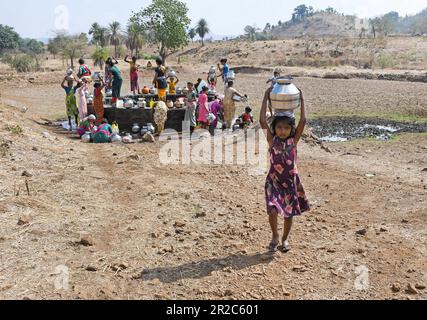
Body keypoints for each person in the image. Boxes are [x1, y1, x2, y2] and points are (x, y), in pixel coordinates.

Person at [260, 86, 310, 253]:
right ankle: (275, 235)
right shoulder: (272, 141)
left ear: (291, 129)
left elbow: (303, 121)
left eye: (286, 128)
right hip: (274, 181)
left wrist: (302, 100)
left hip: (289, 181)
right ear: (275, 128)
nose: (283, 131)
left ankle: (285, 238)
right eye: (279, 127)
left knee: (289, 214)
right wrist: (266, 97)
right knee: (272, 209)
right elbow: (261, 121)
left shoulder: (293, 142)